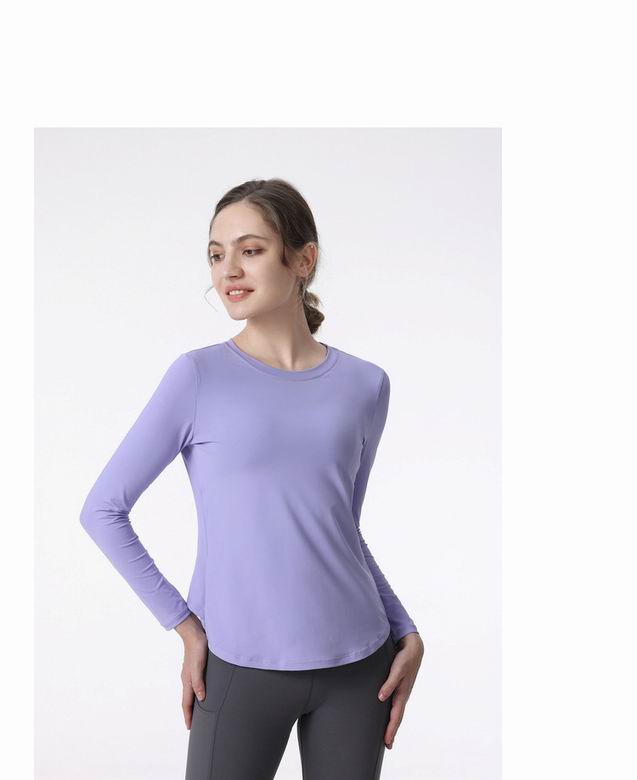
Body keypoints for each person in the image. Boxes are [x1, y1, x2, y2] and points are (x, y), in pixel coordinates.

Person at [79, 177, 425, 779]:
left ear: (303, 260)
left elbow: (341, 527)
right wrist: (185, 627)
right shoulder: (197, 377)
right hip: (238, 666)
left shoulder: (366, 385)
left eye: (251, 250)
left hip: (360, 667)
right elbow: (102, 510)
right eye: (217, 254)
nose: (229, 270)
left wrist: (405, 629)